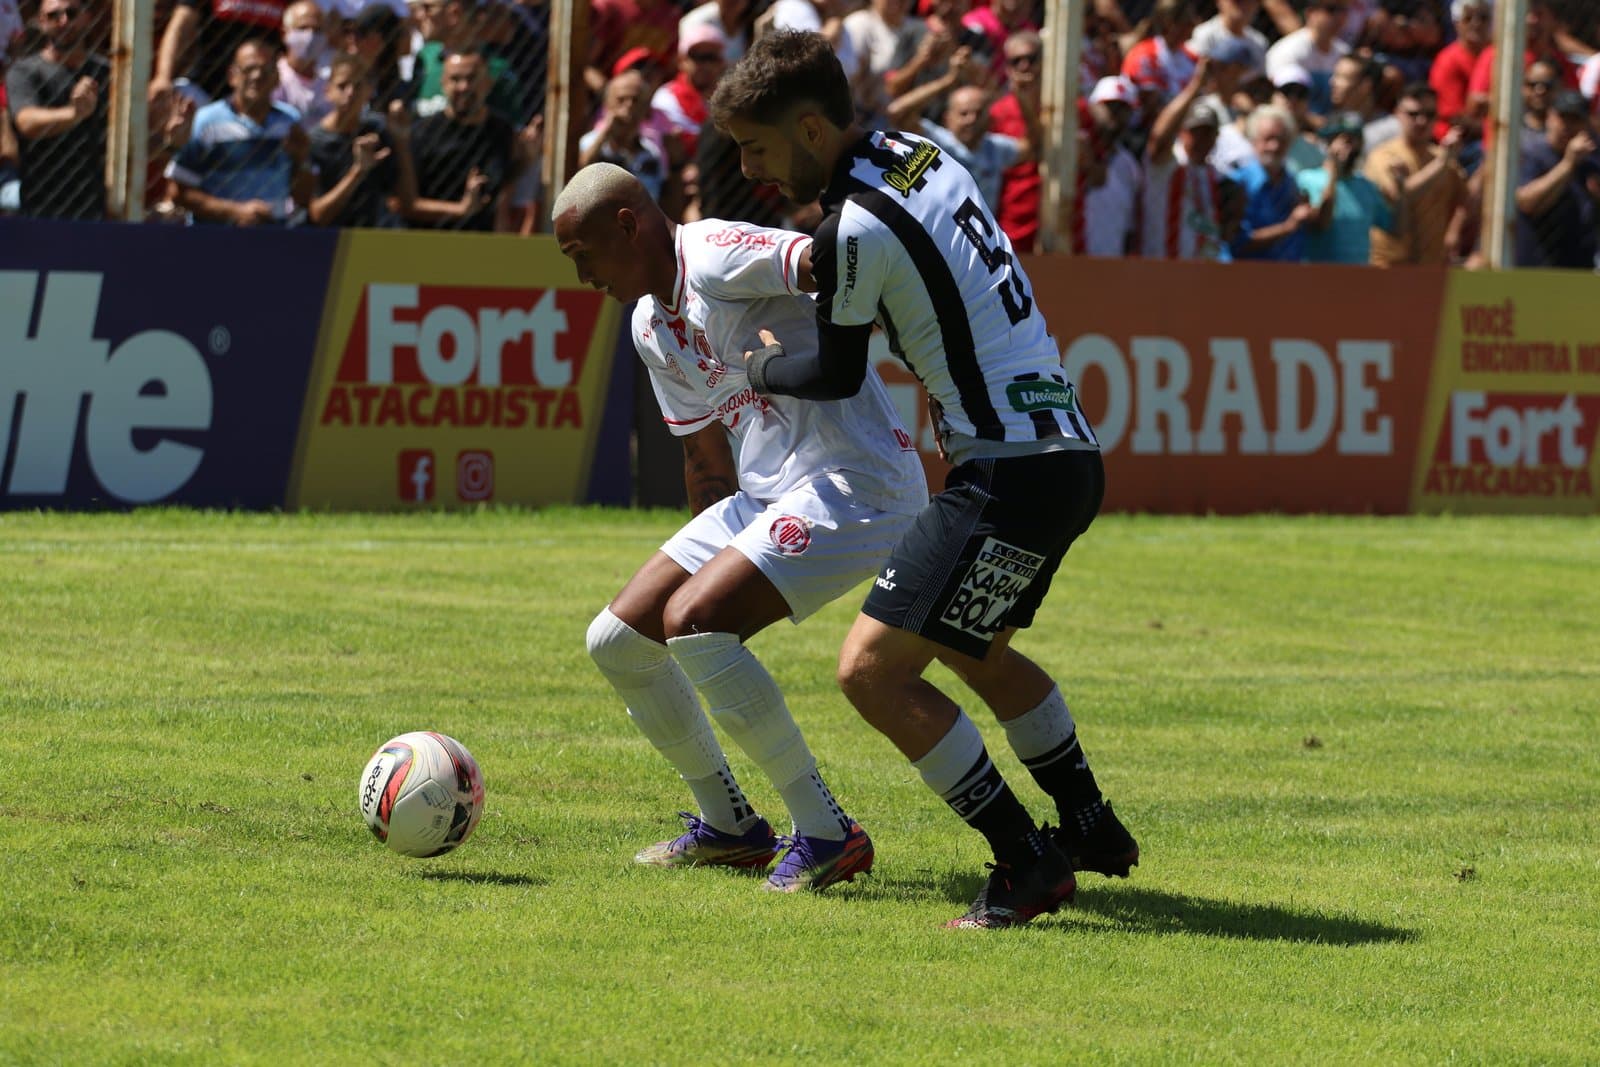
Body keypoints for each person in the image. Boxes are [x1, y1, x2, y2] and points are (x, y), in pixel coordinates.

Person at [709, 29, 1139, 930]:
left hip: (1004, 472)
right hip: (1065, 452)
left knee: (870, 671)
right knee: (966, 644)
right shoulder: (918, 151)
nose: (751, 170)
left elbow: (830, 372)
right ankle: (1091, 825)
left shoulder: (851, 229)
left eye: (757, 147)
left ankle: (1028, 862)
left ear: (814, 129)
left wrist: (750, 370)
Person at [553, 162, 929, 892]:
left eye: (583, 256)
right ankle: (731, 827)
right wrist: (724, 567)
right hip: (766, 495)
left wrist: (930, 371)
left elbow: (840, 262)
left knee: (694, 622)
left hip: (858, 481)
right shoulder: (648, 323)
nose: (582, 278)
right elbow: (704, 460)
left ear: (627, 226)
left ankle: (827, 832)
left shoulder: (721, 254)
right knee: (621, 640)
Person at [167, 40, 311, 225]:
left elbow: (303, 196)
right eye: (249, 69)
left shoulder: (290, 122)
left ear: (277, 77)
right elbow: (179, 192)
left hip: (275, 238)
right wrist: (234, 212)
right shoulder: (206, 122)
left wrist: (302, 159)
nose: (257, 76)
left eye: (266, 70)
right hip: (216, 240)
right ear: (232, 76)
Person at [885, 45, 1035, 217]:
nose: (971, 120)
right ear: (947, 118)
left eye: (978, 114)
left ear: (989, 119)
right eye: (963, 114)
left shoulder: (994, 147)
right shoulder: (935, 141)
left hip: (977, 241)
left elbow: (1031, 146)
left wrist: (1021, 97)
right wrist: (949, 80)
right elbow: (897, 112)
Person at [5, 0, 110, 219]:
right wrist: (74, 113)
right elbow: (26, 122)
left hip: (97, 206)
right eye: (54, 16)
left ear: (87, 17)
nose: (64, 22)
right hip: (41, 204)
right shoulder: (24, 71)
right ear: (41, 22)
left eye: (72, 14)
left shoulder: (107, 72)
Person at [402, 49, 516, 230]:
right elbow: (403, 203)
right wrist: (460, 210)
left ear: (487, 83)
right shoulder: (421, 133)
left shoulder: (503, 131)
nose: (464, 87)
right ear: (443, 83)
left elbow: (506, 187)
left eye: (472, 79)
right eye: (455, 79)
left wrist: (524, 161)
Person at [1363, 82, 1467, 266]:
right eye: (1413, 114)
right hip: (1388, 267)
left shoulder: (1442, 159)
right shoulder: (1382, 156)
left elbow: (1464, 200)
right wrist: (1442, 162)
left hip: (1432, 267)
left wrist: (1455, 231)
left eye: (1429, 115)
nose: (1421, 121)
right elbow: (1399, 197)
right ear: (1397, 114)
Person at [308, 54, 417, 226]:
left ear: (369, 91)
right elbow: (318, 214)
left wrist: (401, 141)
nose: (350, 93)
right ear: (327, 91)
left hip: (373, 237)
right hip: (331, 241)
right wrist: (357, 171)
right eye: (342, 86)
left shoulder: (379, 130)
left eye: (358, 86)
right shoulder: (314, 142)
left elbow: (407, 202)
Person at [1142, 59, 1228, 259]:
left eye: (1207, 134)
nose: (1201, 140)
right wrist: (1195, 86)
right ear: (1182, 133)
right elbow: (1158, 139)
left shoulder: (1212, 174)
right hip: (1165, 267)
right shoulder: (1169, 163)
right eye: (1194, 133)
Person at [1297, 110, 1406, 263]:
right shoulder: (1307, 179)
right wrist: (1334, 170)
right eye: (1343, 139)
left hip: (1357, 280)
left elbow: (1396, 229)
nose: (1349, 147)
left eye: (1354, 139)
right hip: (1318, 278)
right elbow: (1321, 224)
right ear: (1327, 142)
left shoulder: (1366, 186)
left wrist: (1401, 190)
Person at [1514, 90, 1600, 269]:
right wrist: (1568, 164)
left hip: (1577, 274)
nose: (1566, 126)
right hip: (1532, 272)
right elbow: (1526, 202)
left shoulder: (1592, 163)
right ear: (1550, 117)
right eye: (1562, 117)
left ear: (1586, 125)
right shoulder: (1532, 153)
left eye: (1574, 120)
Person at [1230, 104, 1316, 259]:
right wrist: (1287, 227)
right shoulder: (1238, 182)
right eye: (1268, 138)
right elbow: (1237, 241)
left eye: (1281, 139)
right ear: (1253, 140)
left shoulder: (1292, 183)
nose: (1274, 146)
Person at [580, 69, 670, 203]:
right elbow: (580, 176)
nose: (629, 106)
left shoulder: (652, 152)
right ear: (607, 104)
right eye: (621, 99)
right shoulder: (588, 143)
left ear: (645, 108)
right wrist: (607, 133)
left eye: (636, 100)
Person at [1264, 0, 1348, 116]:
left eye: (1343, 10)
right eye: (1331, 9)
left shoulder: (1344, 53)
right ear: (1310, 13)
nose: (1339, 17)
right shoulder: (1288, 50)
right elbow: (1281, 101)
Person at [275, 0, 332, 128]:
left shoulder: (331, 83)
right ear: (285, 33)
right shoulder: (273, 78)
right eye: (302, 28)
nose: (310, 35)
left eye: (317, 30)